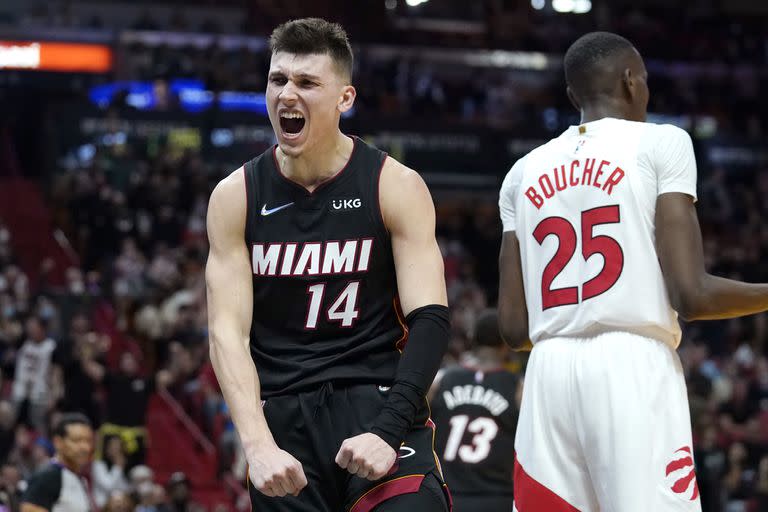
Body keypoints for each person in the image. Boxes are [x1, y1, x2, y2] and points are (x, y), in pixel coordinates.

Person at [497, 31, 768, 512]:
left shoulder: (521, 173)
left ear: (572, 95)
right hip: (632, 365)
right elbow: (692, 296)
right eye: (643, 80)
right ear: (630, 81)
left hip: (548, 372)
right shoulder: (662, 143)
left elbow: (514, 329)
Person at [206, 17, 451, 512]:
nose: (287, 95)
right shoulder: (236, 196)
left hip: (377, 397)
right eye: (278, 80)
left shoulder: (394, 184)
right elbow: (226, 334)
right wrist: (255, 444)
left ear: (345, 98)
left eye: (307, 83)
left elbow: (431, 320)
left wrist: (386, 431)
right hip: (284, 416)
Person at [430, 309, 521, 512]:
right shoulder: (519, 389)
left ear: (472, 339)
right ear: (506, 344)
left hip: (445, 495)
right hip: (497, 498)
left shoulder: (440, 381)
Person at [20, 413, 94, 512]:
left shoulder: (77, 477)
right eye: (77, 440)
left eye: (88, 441)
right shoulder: (48, 476)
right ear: (58, 442)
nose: (85, 447)